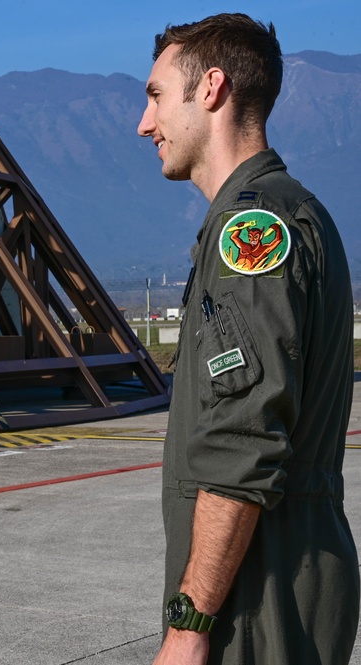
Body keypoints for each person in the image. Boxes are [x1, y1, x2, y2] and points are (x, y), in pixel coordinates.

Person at [137, 13, 359, 664]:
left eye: (154, 96)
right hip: (265, 576)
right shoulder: (272, 211)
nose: (143, 124)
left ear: (209, 89)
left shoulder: (253, 230)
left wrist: (188, 621)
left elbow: (242, 436)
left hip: (259, 593)